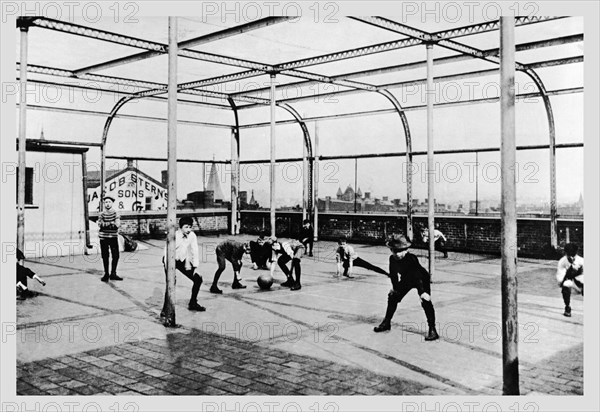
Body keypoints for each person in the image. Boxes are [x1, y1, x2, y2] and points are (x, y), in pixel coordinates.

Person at [374, 234, 439, 341]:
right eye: (394, 251)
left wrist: (423, 292)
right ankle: (386, 322)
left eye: (400, 251)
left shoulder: (411, 258)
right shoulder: (392, 259)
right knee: (392, 296)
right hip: (407, 279)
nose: (397, 254)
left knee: (425, 300)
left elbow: (417, 274)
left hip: (421, 279)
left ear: (406, 250)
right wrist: (395, 288)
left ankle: (432, 329)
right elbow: (394, 275)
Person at [162, 217, 205, 312]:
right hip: (169, 260)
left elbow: (195, 251)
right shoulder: (174, 236)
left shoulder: (192, 235)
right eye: (186, 227)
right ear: (180, 227)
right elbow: (166, 252)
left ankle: (193, 303)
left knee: (198, 279)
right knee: (171, 283)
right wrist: (168, 270)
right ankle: (166, 309)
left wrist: (195, 267)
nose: (189, 230)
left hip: (181, 260)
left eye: (190, 227)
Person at [98, 196, 123, 282]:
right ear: (104, 203)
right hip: (103, 237)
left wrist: (106, 224)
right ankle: (106, 274)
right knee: (105, 256)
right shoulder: (101, 214)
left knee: (115, 256)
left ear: (112, 203)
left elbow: (117, 225)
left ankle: (113, 273)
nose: (107, 204)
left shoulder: (116, 213)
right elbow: (100, 224)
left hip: (113, 237)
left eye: (109, 202)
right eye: (106, 202)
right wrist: (111, 223)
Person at [556, 243, 584, 317]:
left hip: (580, 283)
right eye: (569, 254)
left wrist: (578, 274)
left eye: (573, 254)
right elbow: (560, 278)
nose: (571, 256)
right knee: (566, 284)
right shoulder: (562, 262)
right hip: (571, 282)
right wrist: (568, 274)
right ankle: (567, 307)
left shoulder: (581, 261)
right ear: (566, 253)